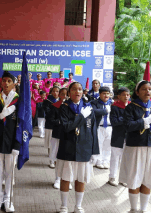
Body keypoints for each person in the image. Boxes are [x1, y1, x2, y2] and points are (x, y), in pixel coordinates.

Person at [119, 80, 151, 213]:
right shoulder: (131, 107)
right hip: (136, 147)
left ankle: (144, 209)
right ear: (137, 92)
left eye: (150, 89)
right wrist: (144, 121)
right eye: (144, 89)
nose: (147, 92)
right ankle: (134, 208)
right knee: (134, 177)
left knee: (148, 177)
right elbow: (127, 126)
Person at [56, 82, 98, 213]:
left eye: (80, 89)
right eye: (74, 89)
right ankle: (64, 205)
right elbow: (66, 127)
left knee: (81, 178)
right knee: (66, 177)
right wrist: (80, 117)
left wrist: (95, 151)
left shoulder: (88, 108)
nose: (77, 92)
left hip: (84, 147)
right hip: (67, 146)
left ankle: (78, 206)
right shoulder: (64, 108)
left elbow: (93, 130)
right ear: (69, 93)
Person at [0, 71, 20, 213]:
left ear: (14, 84)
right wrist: (1, 115)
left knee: (9, 173)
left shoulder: (19, 101)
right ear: (0, 83)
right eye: (4, 80)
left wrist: (18, 144)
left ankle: (8, 199)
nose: (6, 83)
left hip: (13, 141)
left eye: (9, 81)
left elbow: (24, 123)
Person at [108, 87, 130, 187]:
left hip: (129, 137)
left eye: (128, 95)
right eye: (124, 95)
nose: (126, 97)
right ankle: (112, 177)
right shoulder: (114, 107)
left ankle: (123, 178)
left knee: (125, 159)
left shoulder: (132, 106)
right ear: (119, 96)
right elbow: (114, 122)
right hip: (118, 136)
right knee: (115, 158)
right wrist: (125, 118)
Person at [50, 88, 69, 190]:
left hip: (68, 136)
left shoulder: (72, 107)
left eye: (66, 94)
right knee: (57, 158)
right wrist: (61, 122)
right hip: (58, 135)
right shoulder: (55, 106)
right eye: (62, 94)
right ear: (59, 95)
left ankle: (66, 179)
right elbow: (51, 120)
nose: (65, 96)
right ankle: (57, 178)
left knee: (67, 159)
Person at [91, 86, 113, 169]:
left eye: (108, 93)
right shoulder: (95, 102)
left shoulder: (112, 103)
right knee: (99, 144)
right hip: (99, 127)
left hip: (110, 127)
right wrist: (105, 111)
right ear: (100, 94)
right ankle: (98, 161)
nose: (106, 95)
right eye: (104, 93)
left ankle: (106, 161)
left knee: (108, 145)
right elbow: (93, 111)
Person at [43, 86, 60, 166]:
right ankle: (51, 161)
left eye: (57, 91)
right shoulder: (47, 101)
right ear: (51, 92)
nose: (55, 93)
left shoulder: (62, 101)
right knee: (50, 143)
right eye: (54, 91)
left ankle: (57, 159)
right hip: (50, 125)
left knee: (57, 143)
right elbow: (47, 113)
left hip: (59, 125)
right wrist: (55, 106)